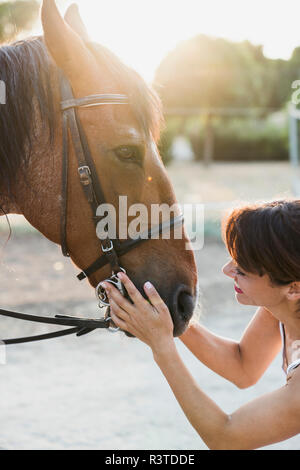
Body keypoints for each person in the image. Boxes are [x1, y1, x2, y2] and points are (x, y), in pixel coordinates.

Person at [100, 200, 300, 450]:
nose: (227, 270)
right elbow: (243, 366)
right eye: (233, 259)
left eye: (243, 269)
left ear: (293, 288)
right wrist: (168, 313)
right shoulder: (285, 307)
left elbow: (225, 437)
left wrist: (161, 345)